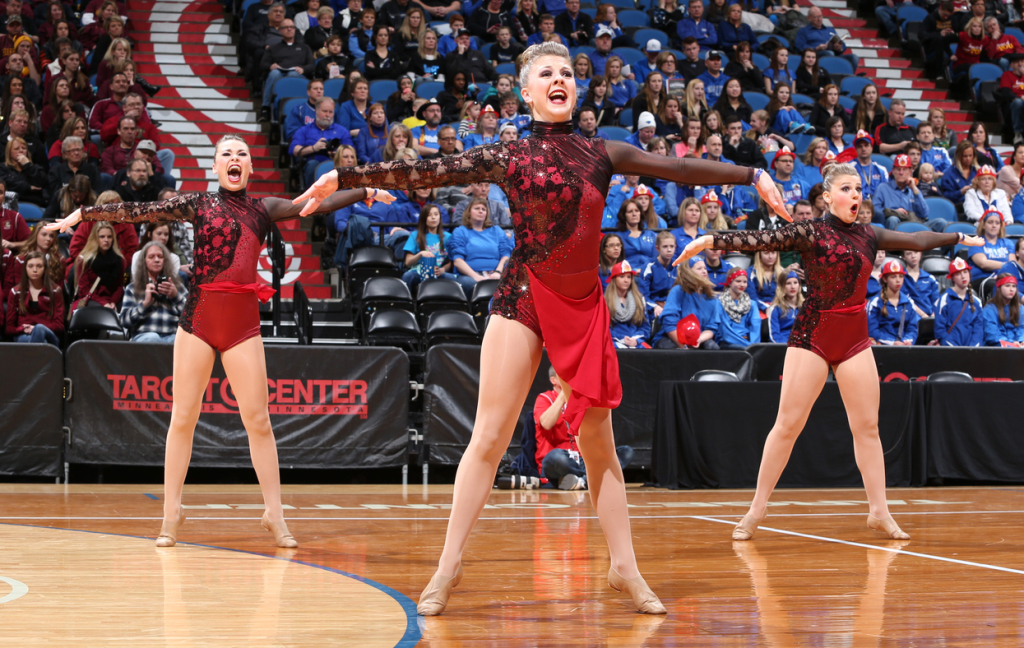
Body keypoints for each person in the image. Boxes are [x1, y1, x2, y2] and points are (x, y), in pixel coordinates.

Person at [295, 41, 787, 616]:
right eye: (545, 74)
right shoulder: (509, 151)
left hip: (583, 304)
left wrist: (752, 172)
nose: (559, 80)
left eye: (566, 73)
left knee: (599, 446)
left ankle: (625, 568)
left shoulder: (602, 151)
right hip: (523, 296)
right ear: (526, 92)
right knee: (488, 438)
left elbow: (676, 167)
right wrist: (345, 175)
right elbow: (426, 170)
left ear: (576, 90)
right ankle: (447, 567)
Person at [49, 134, 394, 549]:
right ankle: (171, 511)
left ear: (250, 168)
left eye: (241, 154)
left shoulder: (264, 209)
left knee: (259, 420)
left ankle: (274, 513)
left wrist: (367, 191)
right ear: (215, 167)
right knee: (183, 418)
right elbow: (139, 211)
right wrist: (84, 214)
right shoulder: (197, 204)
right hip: (198, 319)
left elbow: (316, 202)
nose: (234, 159)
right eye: (226, 154)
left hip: (243, 324)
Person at [674, 161, 983, 542]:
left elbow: (917, 240)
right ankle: (756, 509)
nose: (855, 196)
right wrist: (709, 240)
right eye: (847, 189)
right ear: (827, 197)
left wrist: (956, 239)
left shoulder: (870, 235)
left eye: (859, 190)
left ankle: (879, 512)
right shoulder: (810, 232)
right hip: (813, 334)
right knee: (787, 425)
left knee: (867, 427)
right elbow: (760, 241)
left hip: (855, 339)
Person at [120, 241, 188, 343]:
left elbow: (193, 319)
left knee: (177, 341)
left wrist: (176, 297)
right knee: (152, 338)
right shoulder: (133, 288)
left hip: (171, 336)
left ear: (165, 260)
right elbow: (124, 321)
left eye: (160, 256)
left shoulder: (177, 287)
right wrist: (144, 304)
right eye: (151, 257)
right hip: (144, 337)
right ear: (144, 261)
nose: (156, 260)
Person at [652, 259, 721, 348]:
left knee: (712, 347)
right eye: (699, 268)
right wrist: (684, 347)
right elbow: (669, 323)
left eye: (705, 268)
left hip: (698, 339)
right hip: (673, 338)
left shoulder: (712, 298)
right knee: (672, 348)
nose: (704, 271)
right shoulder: (678, 291)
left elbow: (711, 327)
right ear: (688, 272)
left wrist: (698, 340)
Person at [4, 250, 63, 345]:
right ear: (25, 268)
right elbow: (9, 328)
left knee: (39, 329)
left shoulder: (55, 291)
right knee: (35, 341)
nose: (35, 270)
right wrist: (23, 328)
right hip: (24, 335)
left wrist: (36, 328)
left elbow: (59, 326)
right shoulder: (16, 292)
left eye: (39, 266)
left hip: (49, 335)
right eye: (30, 266)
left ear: (45, 269)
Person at [933, 257, 984, 346]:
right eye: (958, 274)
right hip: (951, 351)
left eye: (965, 272)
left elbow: (978, 329)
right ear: (952, 278)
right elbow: (940, 330)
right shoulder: (945, 299)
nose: (963, 276)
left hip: (972, 353)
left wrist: (973, 348)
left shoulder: (977, 302)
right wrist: (954, 348)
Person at [867, 260, 919, 346]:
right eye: (893, 277)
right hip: (883, 348)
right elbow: (872, 331)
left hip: (904, 347)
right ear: (885, 279)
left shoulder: (909, 302)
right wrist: (892, 342)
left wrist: (907, 340)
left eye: (901, 276)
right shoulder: (875, 303)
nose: (898, 280)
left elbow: (913, 328)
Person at [606, 260, 651, 348]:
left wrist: (635, 340)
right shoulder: (605, 301)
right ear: (614, 279)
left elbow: (645, 327)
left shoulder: (639, 299)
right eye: (622, 277)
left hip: (635, 341)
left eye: (629, 277)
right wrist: (621, 339)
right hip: (614, 341)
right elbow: (603, 328)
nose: (626, 280)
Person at [714, 265, 760, 348]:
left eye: (745, 282)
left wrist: (754, 347)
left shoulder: (752, 304)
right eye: (738, 281)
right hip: (726, 342)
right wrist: (747, 346)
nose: (742, 284)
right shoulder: (719, 302)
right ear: (730, 282)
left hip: (746, 341)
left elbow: (755, 328)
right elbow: (724, 331)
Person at [969, 210, 1016, 283]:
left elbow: (1013, 264)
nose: (994, 225)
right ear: (983, 225)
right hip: (982, 278)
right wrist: (1005, 265)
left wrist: (1001, 274)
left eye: (997, 223)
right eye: (990, 222)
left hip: (1004, 277)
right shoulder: (976, 242)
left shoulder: (1008, 243)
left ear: (1000, 226)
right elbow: (983, 263)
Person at [638, 231, 676, 317]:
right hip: (654, 308)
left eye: (672, 246)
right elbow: (643, 295)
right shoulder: (649, 266)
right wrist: (654, 306)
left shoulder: (679, 266)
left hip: (674, 306)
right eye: (665, 247)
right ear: (657, 248)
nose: (669, 250)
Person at [983, 273, 1024, 345]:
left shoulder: (1021, 308)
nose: (1011, 289)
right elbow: (992, 335)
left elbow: (1022, 328)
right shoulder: (989, 309)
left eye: (1014, 286)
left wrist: (1021, 341)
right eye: (1007, 286)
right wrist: (1011, 343)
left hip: (1018, 347)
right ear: (999, 288)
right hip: (998, 349)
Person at [901, 249, 940, 318]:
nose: (913, 256)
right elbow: (905, 301)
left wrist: (933, 317)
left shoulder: (930, 278)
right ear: (903, 257)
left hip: (930, 318)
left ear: (920, 253)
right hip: (909, 317)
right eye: (909, 254)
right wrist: (923, 315)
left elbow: (936, 302)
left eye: (916, 252)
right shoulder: (900, 278)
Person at [768, 270, 802, 343]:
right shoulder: (775, 308)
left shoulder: (805, 307)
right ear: (782, 286)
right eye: (788, 283)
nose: (792, 287)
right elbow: (774, 336)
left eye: (795, 283)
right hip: (783, 347)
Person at [941, 141, 978, 207]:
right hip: (959, 207)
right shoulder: (949, 174)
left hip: (977, 205)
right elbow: (946, 196)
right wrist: (960, 192)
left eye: (970, 155)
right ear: (959, 156)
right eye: (965, 156)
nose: (968, 158)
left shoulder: (978, 171)